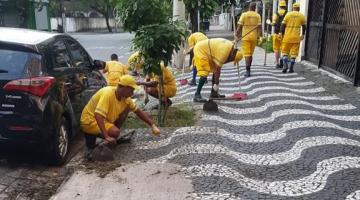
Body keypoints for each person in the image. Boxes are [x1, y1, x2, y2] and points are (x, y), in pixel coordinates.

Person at [80, 75, 160, 159]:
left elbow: (138, 112)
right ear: (125, 88)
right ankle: (96, 136)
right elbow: (98, 115)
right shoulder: (108, 93)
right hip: (89, 121)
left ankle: (110, 133)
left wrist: (152, 125)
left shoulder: (125, 98)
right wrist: (106, 136)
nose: (132, 93)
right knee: (115, 132)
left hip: (104, 120)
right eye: (131, 90)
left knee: (128, 107)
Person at [192, 38, 243, 102]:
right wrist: (216, 84)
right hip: (201, 50)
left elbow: (216, 69)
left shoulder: (232, 47)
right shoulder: (223, 53)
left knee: (214, 69)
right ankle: (197, 95)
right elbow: (217, 70)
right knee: (204, 72)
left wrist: (216, 85)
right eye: (232, 59)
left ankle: (214, 93)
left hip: (208, 51)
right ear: (233, 54)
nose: (230, 60)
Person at [235, 2, 262, 77]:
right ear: (255, 8)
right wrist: (259, 36)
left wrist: (236, 35)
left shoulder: (244, 15)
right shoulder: (257, 15)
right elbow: (260, 27)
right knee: (250, 54)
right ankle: (249, 68)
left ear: (249, 7)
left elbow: (239, 26)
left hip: (245, 37)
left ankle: (248, 71)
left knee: (247, 54)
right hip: (254, 37)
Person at [280, 2, 307, 73]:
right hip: (296, 38)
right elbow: (304, 26)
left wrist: (281, 33)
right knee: (294, 54)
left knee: (285, 52)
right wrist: (303, 34)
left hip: (287, 37)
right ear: (299, 8)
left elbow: (283, 25)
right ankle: (291, 68)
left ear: (293, 8)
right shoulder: (301, 16)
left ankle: (285, 64)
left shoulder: (288, 14)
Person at [272, 0, 287, 69]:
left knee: (276, 49)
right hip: (284, 34)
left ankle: (277, 63)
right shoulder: (287, 14)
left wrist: (270, 23)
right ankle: (282, 60)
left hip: (276, 33)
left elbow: (273, 23)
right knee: (283, 48)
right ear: (285, 6)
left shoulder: (276, 14)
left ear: (279, 6)